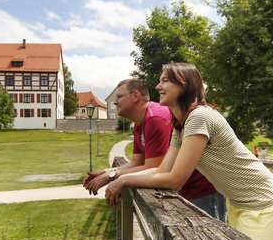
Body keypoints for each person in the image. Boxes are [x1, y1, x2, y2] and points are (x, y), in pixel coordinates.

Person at [105, 63, 273, 240]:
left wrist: (124, 180)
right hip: (238, 204)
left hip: (263, 205)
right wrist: (122, 178)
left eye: (165, 81)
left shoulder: (200, 117)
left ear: (184, 85)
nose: (157, 87)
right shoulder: (181, 124)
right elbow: (162, 170)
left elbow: (175, 180)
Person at [85, 78, 226, 221]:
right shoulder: (140, 123)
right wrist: (105, 173)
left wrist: (115, 177)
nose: (115, 102)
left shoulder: (155, 118)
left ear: (135, 96)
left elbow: (154, 167)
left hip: (203, 191)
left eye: (120, 97)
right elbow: (136, 163)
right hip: (185, 189)